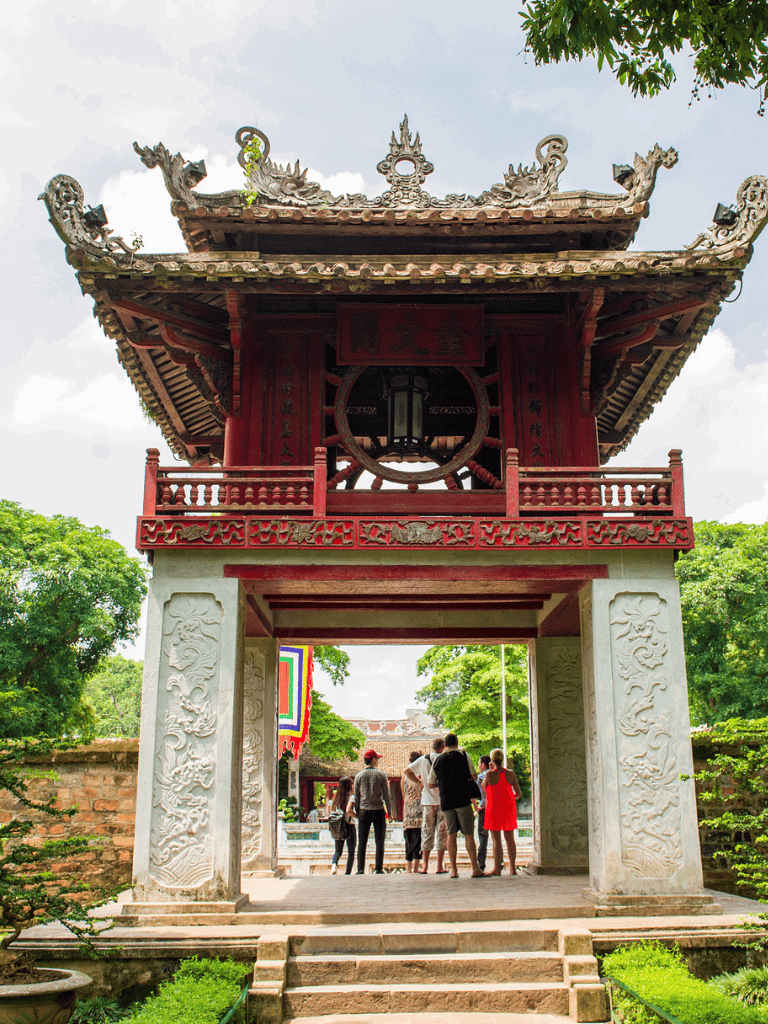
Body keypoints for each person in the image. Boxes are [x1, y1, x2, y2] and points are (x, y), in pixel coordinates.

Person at [428, 733, 484, 879]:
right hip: (463, 799)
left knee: (451, 835)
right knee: (468, 835)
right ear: (457, 743)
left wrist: (443, 786)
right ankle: (475, 868)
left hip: (446, 801)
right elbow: (474, 776)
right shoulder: (464, 756)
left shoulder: (437, 760)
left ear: (445, 745)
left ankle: (454, 870)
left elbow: (430, 783)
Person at [404, 738, 447, 874]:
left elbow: (407, 771)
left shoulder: (423, 760)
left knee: (427, 832)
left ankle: (425, 866)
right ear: (443, 747)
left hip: (427, 801)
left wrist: (419, 782)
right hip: (442, 800)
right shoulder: (444, 759)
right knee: (442, 833)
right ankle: (440, 866)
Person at [482, 747, 523, 876]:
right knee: (510, 839)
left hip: (494, 808)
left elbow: (483, 787)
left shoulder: (489, 774)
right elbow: (518, 793)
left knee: (496, 840)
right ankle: (512, 868)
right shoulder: (510, 774)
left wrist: (490, 769)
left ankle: (496, 868)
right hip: (508, 808)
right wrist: (509, 797)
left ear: (492, 760)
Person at [354, 749, 392, 874]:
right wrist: (390, 812)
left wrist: (358, 812)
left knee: (362, 842)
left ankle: (360, 869)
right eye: (377, 759)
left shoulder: (359, 776)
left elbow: (356, 797)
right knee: (379, 841)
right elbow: (386, 796)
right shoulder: (381, 775)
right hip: (378, 810)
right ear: (374, 760)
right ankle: (378, 868)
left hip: (364, 810)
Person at [475, 753, 498, 873]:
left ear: (483, 765)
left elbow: (476, 794)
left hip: (484, 809)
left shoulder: (480, 778)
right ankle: (500, 862)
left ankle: (481, 864)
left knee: (483, 837)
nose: (478, 766)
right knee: (497, 838)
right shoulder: (497, 775)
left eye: (479, 764)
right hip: (495, 808)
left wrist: (476, 806)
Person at [401, 751, 423, 873]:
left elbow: (403, 793)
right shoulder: (420, 776)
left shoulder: (405, 775)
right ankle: (416, 866)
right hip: (419, 809)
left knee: (408, 838)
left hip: (408, 809)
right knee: (418, 839)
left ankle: (408, 866)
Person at [330, 776, 356, 876]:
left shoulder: (335, 799)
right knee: (351, 851)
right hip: (349, 825)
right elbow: (349, 811)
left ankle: (334, 863)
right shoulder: (351, 797)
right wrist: (357, 816)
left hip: (338, 825)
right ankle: (347, 872)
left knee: (338, 851)